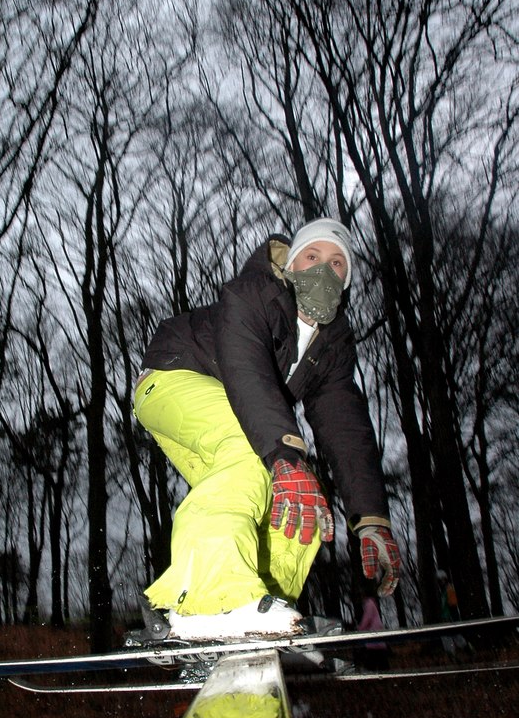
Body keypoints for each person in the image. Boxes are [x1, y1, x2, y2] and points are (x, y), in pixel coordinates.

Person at [132, 218, 400, 642]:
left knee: (303, 502)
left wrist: (370, 518)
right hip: (174, 378)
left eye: (337, 264)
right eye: (312, 256)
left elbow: (345, 427)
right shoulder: (255, 293)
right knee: (254, 456)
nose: (323, 269)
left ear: (347, 281)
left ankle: (264, 611)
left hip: (235, 411)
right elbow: (246, 370)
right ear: (291, 264)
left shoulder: (332, 346)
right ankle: (214, 599)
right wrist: (284, 454)